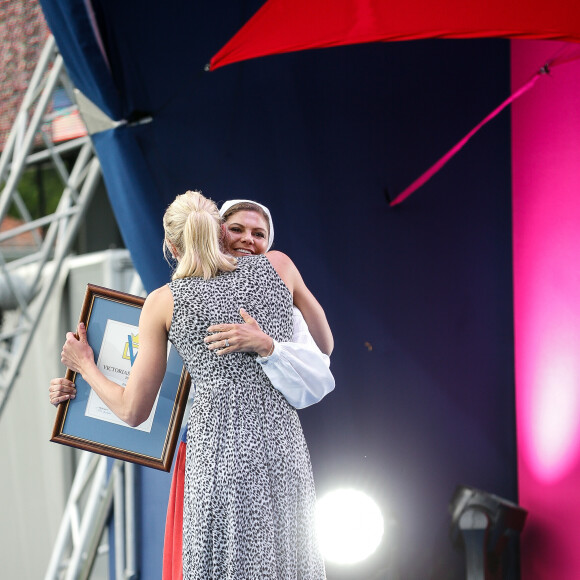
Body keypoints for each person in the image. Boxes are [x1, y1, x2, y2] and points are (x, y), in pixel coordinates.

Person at [54, 191, 328, 579]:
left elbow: (134, 411)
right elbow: (325, 344)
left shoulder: (163, 302)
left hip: (219, 452)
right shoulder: (279, 265)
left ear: (170, 245)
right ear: (219, 231)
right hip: (283, 444)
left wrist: (85, 367)